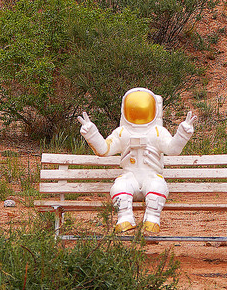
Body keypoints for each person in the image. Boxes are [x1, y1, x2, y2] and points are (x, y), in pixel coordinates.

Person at [78, 89, 197, 233]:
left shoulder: (158, 132)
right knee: (120, 187)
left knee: (157, 187)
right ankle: (124, 219)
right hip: (130, 176)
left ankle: (152, 219)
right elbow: (104, 149)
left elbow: (173, 149)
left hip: (151, 175)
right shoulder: (122, 132)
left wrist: (182, 134)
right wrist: (92, 134)